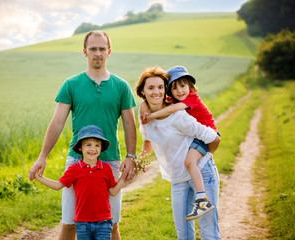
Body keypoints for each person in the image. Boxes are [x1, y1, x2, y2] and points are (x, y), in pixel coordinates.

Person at [28, 30, 137, 240]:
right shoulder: (71, 84)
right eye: (93, 48)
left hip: (111, 160)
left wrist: (130, 156)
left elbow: (129, 124)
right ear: (84, 52)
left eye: (102, 48)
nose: (98, 53)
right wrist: (42, 157)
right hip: (77, 161)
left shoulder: (121, 86)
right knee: (69, 224)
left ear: (109, 52)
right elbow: (57, 122)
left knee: (112, 224)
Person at [135, 66, 221, 239]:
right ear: (142, 92)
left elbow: (213, 137)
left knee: (208, 232)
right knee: (183, 233)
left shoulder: (178, 115)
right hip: (177, 179)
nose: (156, 92)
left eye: (160, 87)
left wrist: (207, 157)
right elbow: (147, 139)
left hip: (202, 172)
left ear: (165, 90)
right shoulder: (144, 114)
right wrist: (142, 161)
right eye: (150, 88)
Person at [35, 125, 126, 240]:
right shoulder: (74, 169)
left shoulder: (106, 168)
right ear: (80, 148)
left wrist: (124, 177)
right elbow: (58, 185)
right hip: (82, 223)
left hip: (104, 222)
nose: (93, 149)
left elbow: (113, 191)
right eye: (88, 145)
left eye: (97, 145)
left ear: (101, 148)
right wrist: (39, 178)